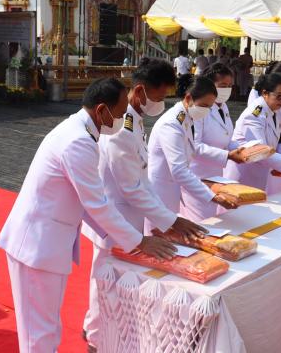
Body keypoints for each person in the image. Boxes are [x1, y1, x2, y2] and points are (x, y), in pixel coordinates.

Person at [0, 78, 177, 352]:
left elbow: (88, 203)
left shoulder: (79, 130)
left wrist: (118, 239)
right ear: (102, 110)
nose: (121, 118)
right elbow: (96, 203)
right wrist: (139, 241)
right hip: (36, 245)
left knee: (46, 330)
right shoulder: (78, 142)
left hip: (45, 241)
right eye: (119, 112)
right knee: (39, 336)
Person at [81, 61, 206, 350]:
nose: (160, 104)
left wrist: (166, 220)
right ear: (140, 91)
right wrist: (171, 221)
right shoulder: (121, 128)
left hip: (128, 215)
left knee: (114, 281)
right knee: (105, 281)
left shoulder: (133, 119)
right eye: (159, 97)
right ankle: (96, 339)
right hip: (113, 218)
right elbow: (132, 187)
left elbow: (142, 176)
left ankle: (101, 330)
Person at [146, 76, 240, 230]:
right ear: (188, 98)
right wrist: (213, 197)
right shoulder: (171, 124)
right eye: (203, 105)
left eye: (209, 107)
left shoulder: (186, 118)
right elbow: (178, 170)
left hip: (172, 191)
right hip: (160, 193)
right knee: (158, 239)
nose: (206, 111)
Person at [225, 73, 281, 193]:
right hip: (245, 174)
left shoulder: (276, 109)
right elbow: (260, 152)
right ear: (265, 93)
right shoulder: (253, 115)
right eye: (279, 96)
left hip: (263, 171)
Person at [180, 64, 244, 221]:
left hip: (216, 176)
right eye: (222, 86)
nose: (227, 90)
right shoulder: (200, 108)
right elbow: (195, 146)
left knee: (214, 220)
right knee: (201, 223)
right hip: (197, 176)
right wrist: (227, 155)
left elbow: (226, 138)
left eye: (229, 86)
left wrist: (243, 149)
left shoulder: (223, 107)